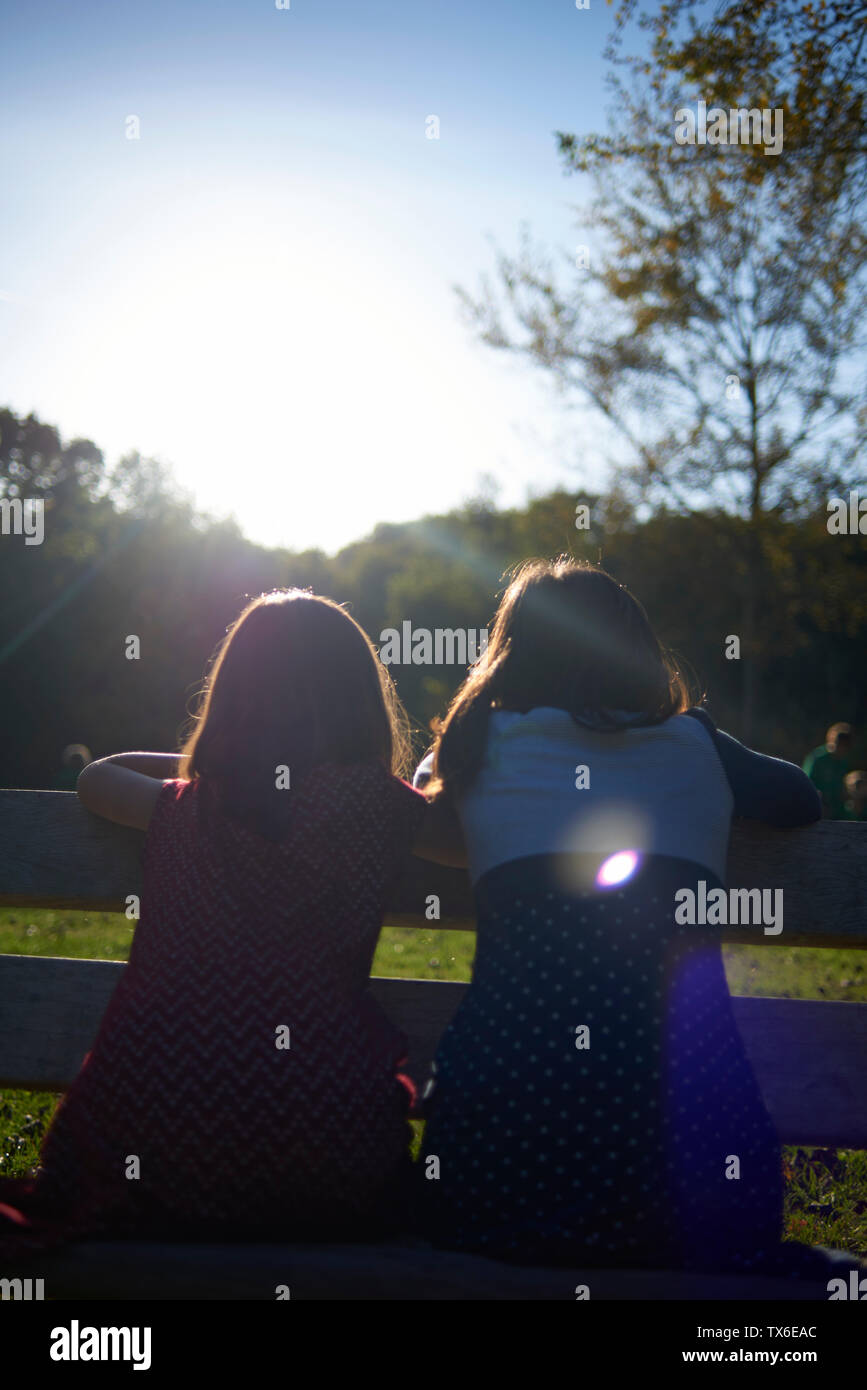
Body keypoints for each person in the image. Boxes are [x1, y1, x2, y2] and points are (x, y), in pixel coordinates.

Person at [410, 557, 864, 1281]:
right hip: (694, 1187)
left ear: (508, 654)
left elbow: (423, 799)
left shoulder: (472, 751)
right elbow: (798, 800)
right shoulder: (696, 745)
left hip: (488, 1172)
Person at [0, 590, 427, 1257]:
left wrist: (223, 766)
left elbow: (98, 777)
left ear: (232, 699)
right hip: (322, 1155)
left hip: (152, 1141)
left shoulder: (184, 806)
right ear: (359, 698)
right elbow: (460, 831)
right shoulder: (388, 809)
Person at [802, 723, 853, 819]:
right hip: (816, 806)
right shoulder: (817, 758)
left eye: (843, 746)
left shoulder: (843, 763)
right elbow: (806, 783)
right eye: (837, 744)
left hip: (836, 810)